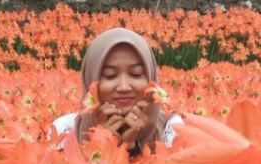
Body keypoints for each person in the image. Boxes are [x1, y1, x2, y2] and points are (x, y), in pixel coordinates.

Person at [51, 28, 182, 155]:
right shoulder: (64, 130)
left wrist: (130, 147)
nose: (124, 87)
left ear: (151, 77)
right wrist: (103, 143)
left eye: (136, 74)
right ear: (91, 79)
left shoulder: (172, 129)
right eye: (110, 75)